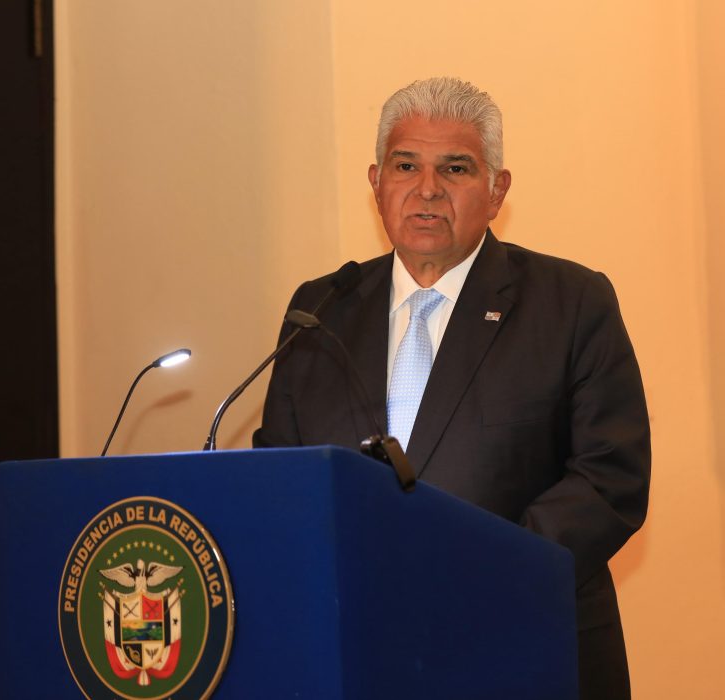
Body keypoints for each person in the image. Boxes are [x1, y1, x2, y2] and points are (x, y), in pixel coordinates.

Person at [254, 77, 650, 699]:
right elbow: (281, 475)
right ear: (376, 183)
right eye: (405, 165)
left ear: (497, 191)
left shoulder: (571, 302)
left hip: (521, 645)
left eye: (455, 168)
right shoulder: (321, 309)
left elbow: (610, 478)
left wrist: (478, 566)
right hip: (359, 649)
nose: (427, 189)